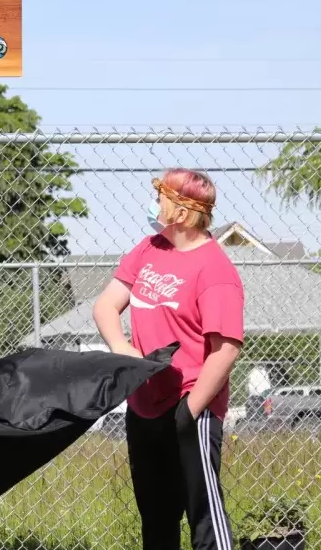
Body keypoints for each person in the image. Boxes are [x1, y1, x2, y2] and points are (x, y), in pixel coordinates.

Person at [92, 168, 244, 550]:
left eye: (161, 196)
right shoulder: (149, 248)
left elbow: (225, 349)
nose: (154, 202)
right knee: (157, 519)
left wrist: (190, 410)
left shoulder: (214, 270)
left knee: (204, 516)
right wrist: (124, 352)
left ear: (180, 210)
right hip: (143, 404)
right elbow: (106, 306)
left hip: (190, 404)